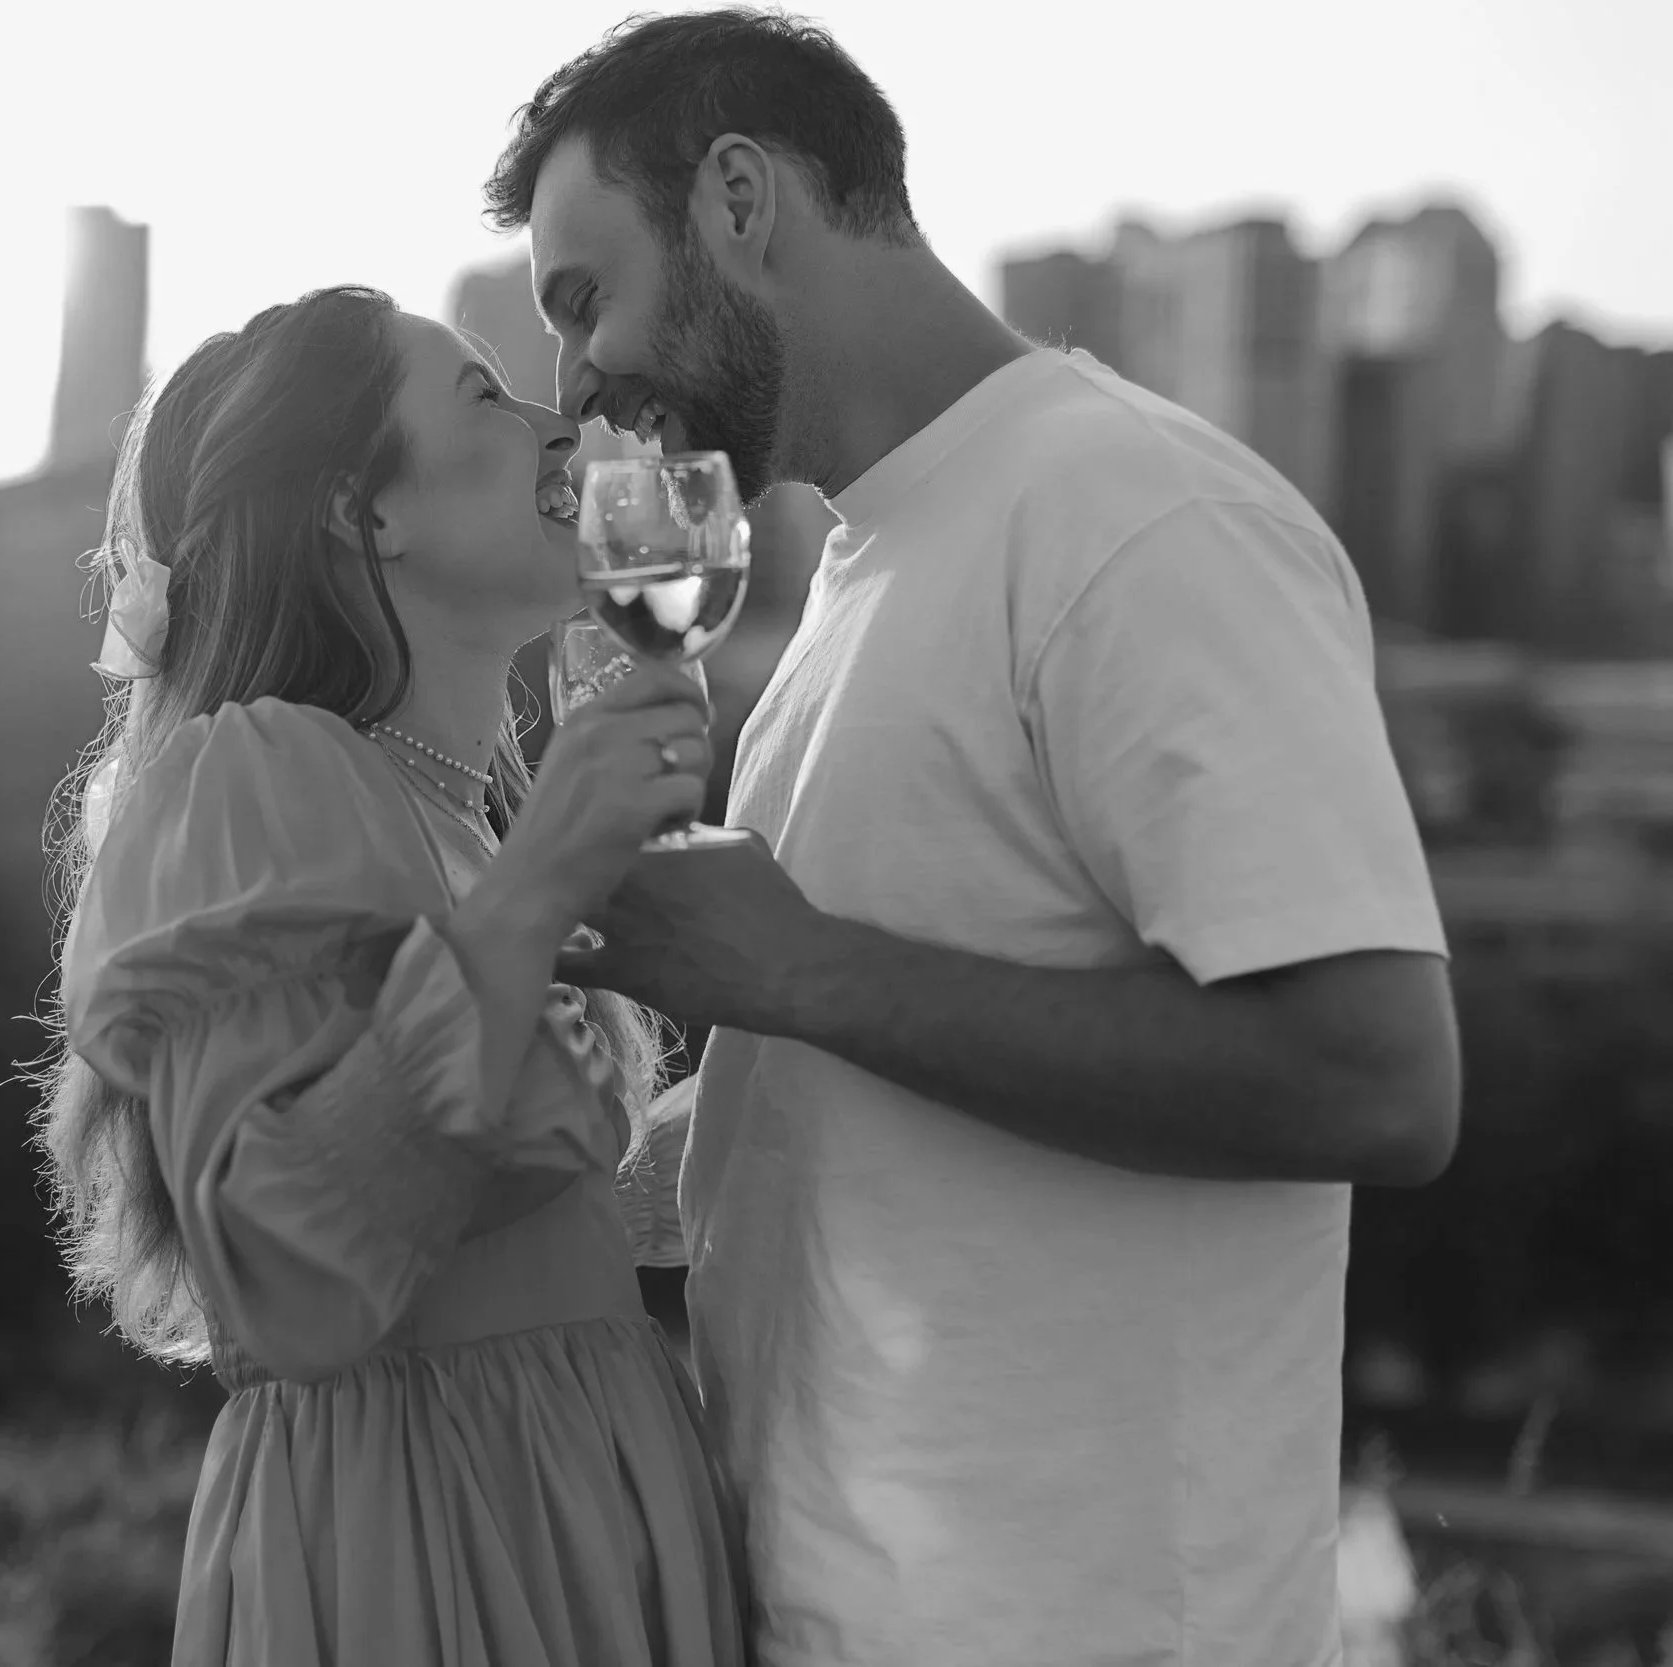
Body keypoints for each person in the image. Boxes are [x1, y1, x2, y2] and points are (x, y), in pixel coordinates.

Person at [484, 10, 1462, 1666]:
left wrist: (792, 969)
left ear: (738, 198)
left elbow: (1378, 1076)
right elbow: (871, 1060)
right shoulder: (857, 573)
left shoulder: (1140, 519)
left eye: (585, 295)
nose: (575, 379)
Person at [33, 284, 748, 1666]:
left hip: (578, 1500)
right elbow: (285, 1261)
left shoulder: (457, 814)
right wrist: (546, 874)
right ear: (367, 512)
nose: (560, 424)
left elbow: (494, 1203)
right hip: (428, 1544)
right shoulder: (257, 773)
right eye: (485, 395)